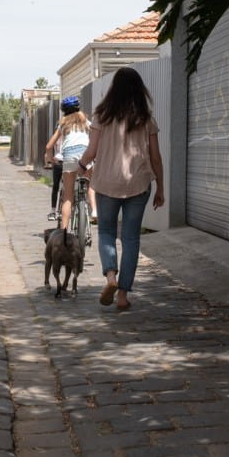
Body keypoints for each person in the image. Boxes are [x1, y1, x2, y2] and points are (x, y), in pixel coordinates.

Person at [78, 67, 164, 311]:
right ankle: (123, 295)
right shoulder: (146, 119)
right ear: (139, 90)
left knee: (106, 232)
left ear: (113, 89)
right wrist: (161, 187)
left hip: (105, 183)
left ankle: (111, 278)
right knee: (130, 238)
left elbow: (92, 151)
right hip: (138, 184)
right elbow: (156, 157)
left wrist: (81, 167)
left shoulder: (101, 116)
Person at [43, 96, 97, 230]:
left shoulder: (63, 125)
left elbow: (49, 146)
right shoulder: (87, 122)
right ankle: (94, 209)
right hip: (85, 154)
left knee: (68, 196)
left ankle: (63, 231)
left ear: (64, 111)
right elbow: (96, 140)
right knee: (91, 184)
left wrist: (50, 159)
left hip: (69, 156)